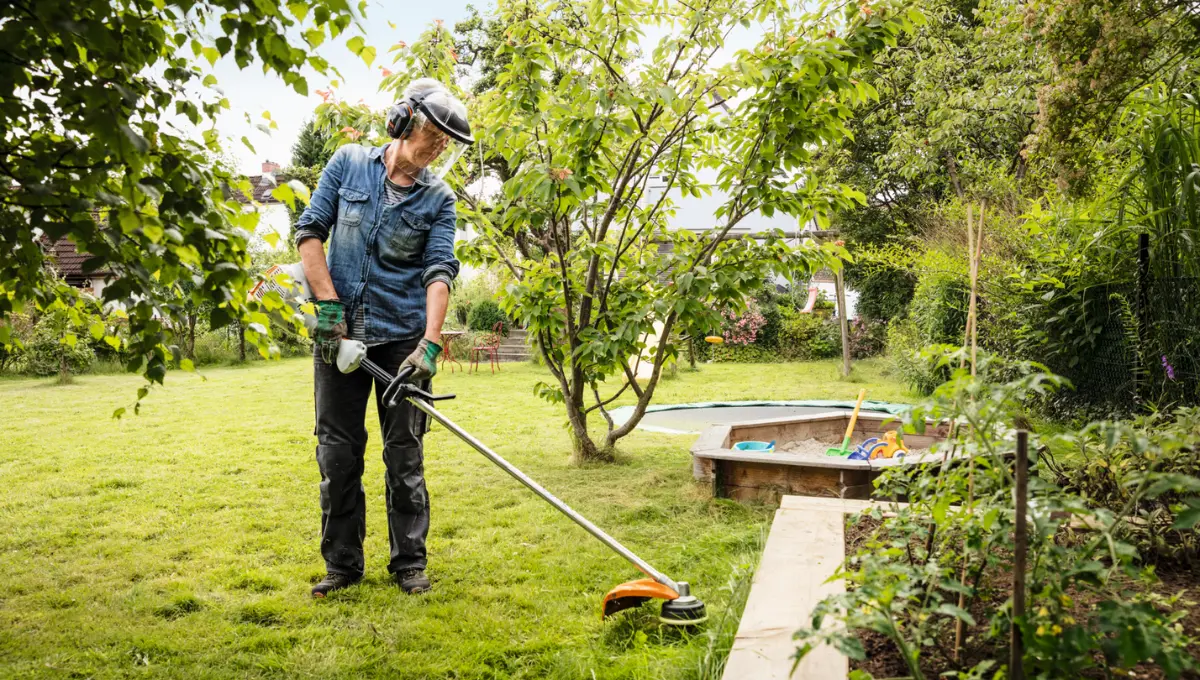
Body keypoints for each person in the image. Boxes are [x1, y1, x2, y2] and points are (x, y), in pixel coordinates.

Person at [291, 78, 473, 598]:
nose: (438, 149)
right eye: (433, 136)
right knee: (338, 454)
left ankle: (409, 564)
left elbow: (439, 272)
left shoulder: (439, 198)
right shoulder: (347, 163)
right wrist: (328, 307)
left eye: (445, 143)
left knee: (405, 453)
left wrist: (431, 343)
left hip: (401, 342)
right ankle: (343, 566)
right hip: (338, 333)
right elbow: (309, 232)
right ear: (402, 122)